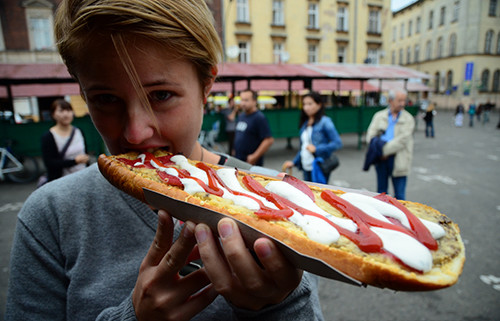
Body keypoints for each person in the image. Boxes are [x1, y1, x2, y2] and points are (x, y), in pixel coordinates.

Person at [5, 1, 323, 320]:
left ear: (206, 85)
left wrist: (280, 302)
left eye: (160, 95)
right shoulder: (51, 215)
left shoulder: (279, 202)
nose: (136, 133)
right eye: (105, 99)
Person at [282, 92, 342, 183]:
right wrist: (294, 162)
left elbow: (337, 143)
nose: (306, 107)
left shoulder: (325, 121)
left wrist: (317, 149)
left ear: (319, 105)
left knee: (319, 194)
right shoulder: (305, 123)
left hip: (319, 166)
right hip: (305, 166)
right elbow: (303, 147)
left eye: (310, 104)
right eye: (304, 104)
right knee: (308, 194)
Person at [366, 89, 415, 200]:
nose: (402, 103)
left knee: (400, 195)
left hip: (399, 158)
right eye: (399, 100)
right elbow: (370, 136)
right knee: (381, 193)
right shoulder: (379, 116)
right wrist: (380, 152)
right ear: (390, 101)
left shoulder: (408, 119)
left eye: (404, 100)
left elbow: (402, 141)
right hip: (381, 159)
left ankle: (401, 216)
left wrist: (383, 151)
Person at [40, 99, 89, 182]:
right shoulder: (48, 136)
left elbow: (85, 153)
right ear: (53, 114)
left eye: (68, 110)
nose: (66, 114)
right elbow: (50, 163)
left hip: (82, 179)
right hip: (61, 182)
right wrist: (75, 161)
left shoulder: (79, 131)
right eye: (61, 111)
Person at [234, 89, 274, 166]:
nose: (243, 103)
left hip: (252, 164)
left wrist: (255, 156)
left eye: (246, 100)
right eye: (241, 100)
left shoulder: (259, 117)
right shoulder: (241, 116)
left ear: (254, 101)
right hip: (239, 160)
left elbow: (268, 140)